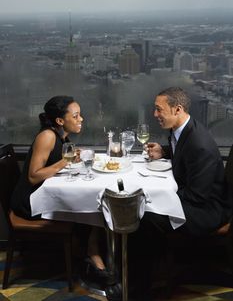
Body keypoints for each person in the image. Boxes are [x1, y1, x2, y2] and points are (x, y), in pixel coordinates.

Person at [128, 87, 232, 300]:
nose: (155, 115)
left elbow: (197, 196)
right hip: (198, 199)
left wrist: (157, 198)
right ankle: (145, 271)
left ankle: (139, 290)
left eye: (159, 110)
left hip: (207, 210)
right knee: (144, 209)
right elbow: (182, 150)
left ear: (177, 109)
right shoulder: (184, 130)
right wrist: (164, 151)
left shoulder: (199, 144)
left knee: (145, 217)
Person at [11, 95, 108, 284]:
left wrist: (72, 158)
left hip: (44, 196)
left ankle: (91, 253)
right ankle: (93, 256)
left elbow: (57, 162)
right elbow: (33, 176)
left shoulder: (62, 136)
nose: (81, 119)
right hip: (30, 202)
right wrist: (66, 161)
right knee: (89, 207)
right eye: (76, 116)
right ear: (60, 121)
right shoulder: (47, 136)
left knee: (90, 205)